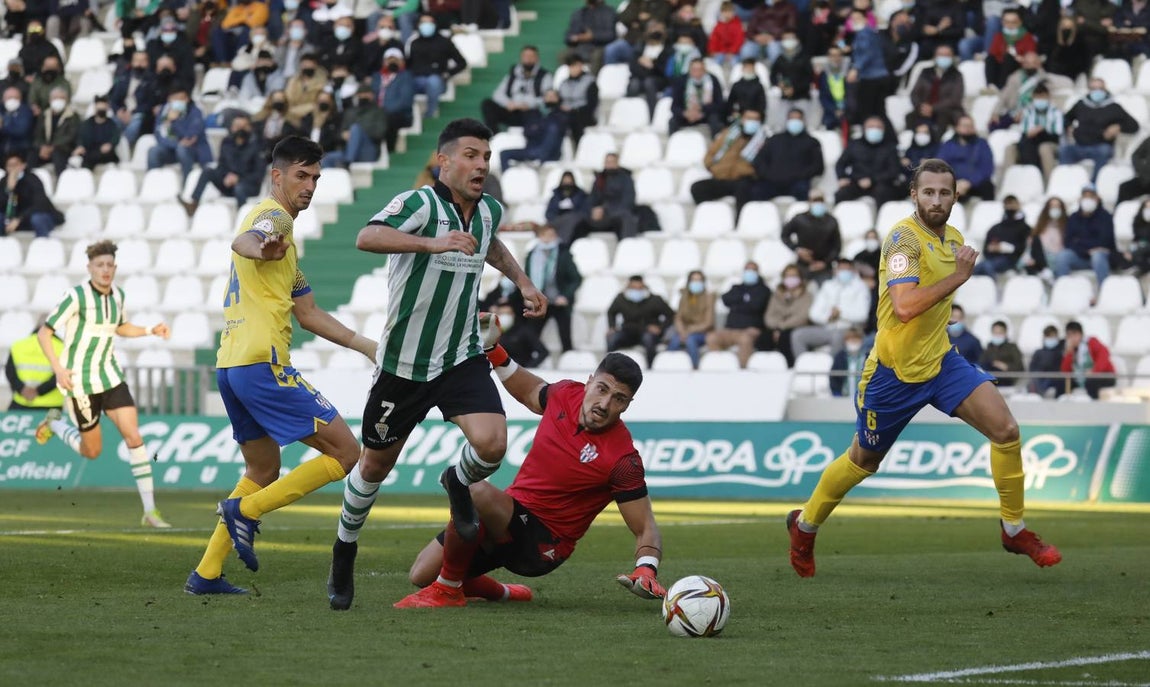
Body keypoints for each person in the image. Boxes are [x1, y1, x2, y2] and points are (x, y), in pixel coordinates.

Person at [786, 158, 1062, 578]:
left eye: (944, 193)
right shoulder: (903, 240)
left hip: (941, 362)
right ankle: (804, 526)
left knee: (1006, 431)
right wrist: (958, 280)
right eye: (928, 192)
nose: (936, 200)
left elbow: (930, 302)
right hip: (893, 374)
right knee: (864, 460)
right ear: (914, 195)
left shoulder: (952, 237)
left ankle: (1014, 528)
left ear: (955, 196)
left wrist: (944, 311)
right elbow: (905, 305)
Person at [325, 119, 547, 610]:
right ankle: (344, 549)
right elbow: (367, 236)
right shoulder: (419, 203)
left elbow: (489, 243)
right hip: (404, 364)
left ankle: (456, 482)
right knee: (374, 466)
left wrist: (523, 283)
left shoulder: (489, 209)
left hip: (460, 356)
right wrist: (432, 243)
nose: (481, 165)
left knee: (491, 445)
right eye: (470, 155)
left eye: (486, 156)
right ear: (443, 161)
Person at [185, 136, 380, 596]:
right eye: (301, 176)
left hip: (231, 367)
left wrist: (370, 347)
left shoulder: (285, 245)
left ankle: (207, 573)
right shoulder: (270, 220)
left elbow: (309, 313)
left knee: (262, 470)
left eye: (316, 177)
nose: (310, 185)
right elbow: (244, 240)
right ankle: (244, 513)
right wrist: (260, 246)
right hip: (261, 365)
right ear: (278, 176)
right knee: (347, 454)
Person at [392, 344, 665, 609]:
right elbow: (531, 391)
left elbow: (645, 526)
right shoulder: (566, 393)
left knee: (471, 488)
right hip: (509, 516)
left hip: (543, 545)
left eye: (618, 398)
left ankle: (448, 591)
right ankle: (503, 593)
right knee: (421, 574)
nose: (604, 404)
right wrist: (493, 349)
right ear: (589, 382)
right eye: (602, 389)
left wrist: (646, 569)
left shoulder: (622, 459)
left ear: (627, 405)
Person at [32, 240, 172, 527]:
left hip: (110, 377)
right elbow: (45, 334)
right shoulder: (76, 296)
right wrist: (58, 369)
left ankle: (150, 511)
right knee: (92, 451)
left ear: (115, 268)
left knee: (134, 437)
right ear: (90, 268)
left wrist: (149, 330)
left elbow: (120, 326)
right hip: (79, 382)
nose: (105, 270)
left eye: (109, 265)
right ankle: (54, 424)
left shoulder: (117, 296)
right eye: (100, 265)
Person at [182, 113, 264, 215]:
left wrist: (238, 179)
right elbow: (221, 165)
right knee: (208, 171)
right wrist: (226, 176)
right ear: (231, 127)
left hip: (248, 186)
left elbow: (258, 174)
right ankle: (193, 204)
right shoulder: (226, 142)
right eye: (237, 126)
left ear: (249, 128)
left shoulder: (256, 146)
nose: (240, 129)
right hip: (228, 183)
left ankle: (243, 218)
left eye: (243, 126)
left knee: (239, 188)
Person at [1059, 78, 1140, 183]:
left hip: (1101, 146)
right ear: (1089, 90)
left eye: (1100, 89)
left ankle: (1093, 186)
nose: (1097, 92)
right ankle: (1065, 183)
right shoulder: (1081, 104)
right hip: (1079, 146)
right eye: (1093, 88)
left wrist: (1119, 127)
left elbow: (1134, 125)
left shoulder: (1114, 107)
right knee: (1065, 150)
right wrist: (1069, 126)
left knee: (1104, 151)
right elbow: (1065, 119)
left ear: (1105, 90)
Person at [791, 260, 872, 357]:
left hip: (850, 329)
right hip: (827, 328)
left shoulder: (860, 287)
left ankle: (832, 370)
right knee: (798, 335)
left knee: (837, 337)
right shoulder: (828, 286)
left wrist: (840, 313)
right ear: (835, 271)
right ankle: (803, 367)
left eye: (847, 269)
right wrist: (828, 316)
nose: (843, 272)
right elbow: (813, 313)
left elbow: (862, 315)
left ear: (853, 270)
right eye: (841, 269)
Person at [744, 109, 824, 205]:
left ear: (803, 121)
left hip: (797, 182)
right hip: (772, 181)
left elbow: (818, 166)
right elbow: (759, 162)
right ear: (787, 120)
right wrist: (768, 175)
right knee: (756, 191)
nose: (795, 122)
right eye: (792, 118)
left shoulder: (812, 142)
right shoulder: (774, 139)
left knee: (803, 191)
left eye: (798, 119)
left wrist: (800, 175)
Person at [523, 225, 581, 356]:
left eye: (551, 235)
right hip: (539, 301)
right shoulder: (532, 255)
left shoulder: (564, 254)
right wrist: (527, 296)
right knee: (532, 334)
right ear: (540, 237)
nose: (548, 239)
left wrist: (565, 296)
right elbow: (525, 278)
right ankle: (534, 358)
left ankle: (568, 359)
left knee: (565, 336)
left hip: (559, 302)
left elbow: (576, 278)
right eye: (545, 235)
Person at [689, 109, 764, 205]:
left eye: (755, 119)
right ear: (742, 119)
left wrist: (747, 172)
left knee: (744, 189)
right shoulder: (728, 134)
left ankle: (739, 219)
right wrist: (712, 167)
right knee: (697, 188)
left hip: (743, 180)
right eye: (749, 118)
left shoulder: (763, 141)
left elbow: (765, 166)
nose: (752, 122)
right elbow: (711, 154)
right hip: (721, 177)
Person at [705, 262, 771, 369]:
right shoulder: (736, 287)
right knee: (711, 337)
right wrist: (745, 299)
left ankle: (742, 370)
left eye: (752, 270)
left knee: (745, 340)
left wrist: (737, 303)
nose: (749, 273)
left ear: (758, 273)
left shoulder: (763, 290)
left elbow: (756, 306)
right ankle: (720, 368)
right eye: (747, 270)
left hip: (749, 330)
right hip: (730, 329)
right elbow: (725, 299)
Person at [605, 275, 674, 368]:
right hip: (627, 331)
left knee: (649, 340)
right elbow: (611, 312)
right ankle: (608, 368)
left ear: (644, 287)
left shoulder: (655, 300)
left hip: (647, 332)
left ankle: (650, 367)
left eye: (639, 288)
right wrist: (612, 326)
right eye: (633, 288)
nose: (636, 291)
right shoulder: (621, 299)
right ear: (628, 287)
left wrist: (660, 328)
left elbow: (671, 315)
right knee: (612, 339)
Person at [835, 117, 904, 206]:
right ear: (864, 129)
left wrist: (872, 180)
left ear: (884, 130)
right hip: (857, 182)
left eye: (878, 127)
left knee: (883, 193)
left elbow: (894, 171)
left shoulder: (890, 147)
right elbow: (841, 164)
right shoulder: (854, 145)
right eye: (871, 127)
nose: (874, 130)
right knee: (841, 194)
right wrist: (842, 177)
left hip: (881, 184)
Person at [1053, 185, 1115, 285]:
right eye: (1085, 196)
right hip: (1080, 256)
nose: (1088, 200)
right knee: (1062, 256)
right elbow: (1068, 241)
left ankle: (1103, 290)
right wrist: (1087, 249)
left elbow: (1106, 241)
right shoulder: (1073, 217)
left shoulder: (1105, 217)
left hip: (1100, 256)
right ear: (1080, 199)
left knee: (1098, 257)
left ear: (1097, 199)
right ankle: (1061, 289)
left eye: (1091, 196)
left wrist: (1080, 242)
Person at [481, 46, 551, 132]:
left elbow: (548, 99)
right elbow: (497, 94)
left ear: (537, 58)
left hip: (530, 112)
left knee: (535, 114)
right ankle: (494, 137)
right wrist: (508, 103)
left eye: (531, 56)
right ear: (521, 58)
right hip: (512, 110)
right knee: (487, 104)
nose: (528, 59)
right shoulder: (513, 74)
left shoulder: (545, 76)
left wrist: (529, 104)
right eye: (525, 56)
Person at [148, 87, 212, 182]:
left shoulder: (195, 112)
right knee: (154, 151)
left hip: (194, 150)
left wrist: (174, 122)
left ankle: (187, 184)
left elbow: (190, 136)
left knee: (182, 150)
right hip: (172, 149)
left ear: (187, 99)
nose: (177, 102)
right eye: (174, 99)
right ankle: (153, 183)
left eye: (181, 99)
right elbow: (159, 136)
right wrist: (175, 144)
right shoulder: (163, 112)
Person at [782, 190, 842, 284]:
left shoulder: (832, 221)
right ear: (809, 201)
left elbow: (837, 246)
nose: (817, 203)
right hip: (803, 264)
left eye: (820, 200)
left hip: (824, 266)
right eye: (814, 200)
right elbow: (784, 235)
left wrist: (825, 262)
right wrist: (797, 249)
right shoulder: (799, 219)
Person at [498, 90, 567, 170]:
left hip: (550, 154)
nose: (550, 98)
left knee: (553, 127)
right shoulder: (535, 113)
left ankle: (539, 159)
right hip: (531, 150)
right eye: (548, 96)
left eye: (553, 96)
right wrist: (541, 128)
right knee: (504, 154)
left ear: (558, 99)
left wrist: (537, 128)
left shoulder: (561, 114)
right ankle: (507, 179)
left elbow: (559, 129)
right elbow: (527, 131)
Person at [1008, 83, 1064, 183]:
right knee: (1011, 148)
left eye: (1043, 97)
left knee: (1043, 148)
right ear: (1033, 98)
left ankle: (1049, 183)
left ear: (1048, 97)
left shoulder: (1056, 112)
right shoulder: (1027, 111)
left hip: (1050, 141)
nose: (1040, 100)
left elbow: (1057, 134)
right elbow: (1024, 132)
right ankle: (1008, 183)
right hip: (1030, 140)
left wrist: (1041, 130)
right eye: (1037, 97)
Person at [578, 153, 639, 241]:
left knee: (627, 218)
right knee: (577, 218)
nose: (609, 165)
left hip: (617, 215)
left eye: (612, 162)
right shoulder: (600, 179)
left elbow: (628, 202)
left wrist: (605, 210)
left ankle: (625, 247)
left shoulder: (626, 179)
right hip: (599, 217)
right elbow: (592, 199)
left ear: (617, 163)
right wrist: (593, 210)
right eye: (607, 162)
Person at [760, 263, 812, 366]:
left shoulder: (806, 295)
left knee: (785, 338)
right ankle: (765, 367)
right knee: (763, 338)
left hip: (795, 328)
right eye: (788, 276)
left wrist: (782, 327)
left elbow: (802, 317)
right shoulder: (776, 295)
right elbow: (769, 316)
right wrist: (777, 327)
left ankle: (789, 366)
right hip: (776, 328)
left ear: (800, 278)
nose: (790, 279)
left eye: (794, 276)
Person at [1, 152, 62, 237]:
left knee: (38, 219)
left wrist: (19, 219)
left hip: (35, 215)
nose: (13, 168)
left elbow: (39, 204)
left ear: (23, 165)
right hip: (14, 219)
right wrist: (9, 189)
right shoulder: (4, 181)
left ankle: (42, 245)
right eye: (9, 166)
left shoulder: (33, 179)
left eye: (15, 165)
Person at [907, 45, 964, 132]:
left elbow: (955, 99)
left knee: (942, 116)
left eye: (947, 55)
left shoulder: (957, 75)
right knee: (910, 117)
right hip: (923, 109)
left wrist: (933, 108)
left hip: (946, 110)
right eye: (941, 55)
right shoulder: (925, 72)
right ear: (935, 57)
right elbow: (915, 93)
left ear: (952, 57)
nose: (943, 58)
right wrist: (920, 106)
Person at [937, 116, 995, 201]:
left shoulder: (982, 144)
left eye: (971, 126)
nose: (968, 129)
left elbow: (987, 168)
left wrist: (969, 182)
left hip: (976, 184)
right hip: (953, 184)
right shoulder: (948, 145)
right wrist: (954, 183)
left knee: (988, 186)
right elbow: (940, 167)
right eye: (964, 126)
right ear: (957, 128)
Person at [6, 325, 63, 411]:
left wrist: (22, 389)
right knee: (54, 424)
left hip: (21, 403)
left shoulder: (18, 345)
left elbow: (10, 371)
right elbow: (62, 374)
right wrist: (39, 391)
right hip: (52, 405)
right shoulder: (62, 347)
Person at [667, 270, 715, 369]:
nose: (696, 283)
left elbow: (708, 322)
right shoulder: (684, 297)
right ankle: (669, 367)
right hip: (684, 331)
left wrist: (688, 331)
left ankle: (694, 368)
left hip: (703, 332)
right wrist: (682, 331)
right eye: (693, 280)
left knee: (690, 340)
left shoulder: (709, 297)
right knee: (674, 341)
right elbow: (678, 317)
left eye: (699, 280)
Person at [847, 10, 888, 124]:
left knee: (868, 111)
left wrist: (856, 68)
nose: (855, 21)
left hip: (871, 77)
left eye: (858, 18)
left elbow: (866, 53)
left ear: (866, 19)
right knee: (879, 111)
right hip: (878, 76)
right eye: (853, 19)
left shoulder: (864, 33)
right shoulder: (871, 33)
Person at [371, 48, 415, 154]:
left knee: (388, 119)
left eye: (396, 60)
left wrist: (384, 111)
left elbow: (405, 101)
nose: (392, 62)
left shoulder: (406, 76)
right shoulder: (377, 77)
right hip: (378, 113)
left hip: (399, 114)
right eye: (389, 60)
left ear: (402, 62)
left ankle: (390, 152)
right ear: (383, 62)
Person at [974, 195, 1030, 277]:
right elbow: (986, 249)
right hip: (992, 259)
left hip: (1012, 261)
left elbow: (1025, 248)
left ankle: (994, 288)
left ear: (1018, 205)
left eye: (1012, 204)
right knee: (975, 268)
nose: (1010, 207)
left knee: (986, 266)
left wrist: (1006, 248)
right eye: (1007, 204)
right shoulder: (995, 228)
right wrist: (992, 248)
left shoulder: (1025, 228)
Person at [668, 58, 725, 137]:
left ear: (704, 70)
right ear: (689, 70)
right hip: (687, 114)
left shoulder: (713, 80)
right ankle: (673, 143)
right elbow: (674, 107)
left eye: (700, 69)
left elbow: (720, 105)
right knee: (673, 121)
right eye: (694, 69)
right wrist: (685, 113)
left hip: (706, 113)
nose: (697, 73)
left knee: (715, 118)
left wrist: (702, 109)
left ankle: (714, 144)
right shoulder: (681, 81)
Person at [29, 85, 78, 176]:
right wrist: (42, 147)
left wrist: (52, 147)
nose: (58, 100)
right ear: (50, 100)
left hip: (63, 149)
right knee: (32, 154)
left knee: (58, 155)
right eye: (55, 98)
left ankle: (60, 182)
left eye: (61, 98)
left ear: (67, 100)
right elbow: (38, 135)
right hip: (45, 150)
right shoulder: (44, 115)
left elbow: (71, 136)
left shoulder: (73, 116)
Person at [1061, 320, 1116, 399]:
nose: (1072, 338)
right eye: (1069, 336)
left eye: (1074, 334)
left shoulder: (1091, 342)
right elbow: (1065, 372)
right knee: (1062, 383)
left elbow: (1104, 355)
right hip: (1082, 378)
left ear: (1080, 334)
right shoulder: (1071, 350)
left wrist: (1094, 371)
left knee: (1091, 382)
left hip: (1103, 376)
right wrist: (1069, 354)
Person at [984, 8, 1037, 90]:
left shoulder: (1027, 38)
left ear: (1020, 22)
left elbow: (1031, 57)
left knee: (1009, 58)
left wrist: (1020, 58)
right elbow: (993, 53)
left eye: (1013, 22)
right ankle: (991, 87)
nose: (1010, 25)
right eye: (1007, 22)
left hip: (1017, 67)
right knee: (989, 58)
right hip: (1001, 66)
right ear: (1002, 22)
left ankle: (1002, 88)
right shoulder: (999, 36)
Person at [562, 0, 617, 72]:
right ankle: (570, 80)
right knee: (563, 54)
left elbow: (610, 35)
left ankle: (592, 81)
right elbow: (568, 36)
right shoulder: (579, 13)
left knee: (597, 55)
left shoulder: (608, 12)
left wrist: (592, 36)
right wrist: (576, 38)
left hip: (599, 46)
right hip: (580, 46)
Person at [556, 55, 598, 146]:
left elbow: (592, 104)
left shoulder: (590, 82)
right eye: (572, 66)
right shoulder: (563, 83)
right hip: (565, 114)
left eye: (576, 65)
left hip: (583, 114)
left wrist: (573, 109)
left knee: (574, 121)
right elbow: (559, 101)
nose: (574, 68)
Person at [73, 95, 121, 170]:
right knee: (86, 156)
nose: (101, 110)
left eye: (103, 108)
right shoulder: (87, 124)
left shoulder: (112, 124)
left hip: (106, 154)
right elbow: (81, 138)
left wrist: (110, 145)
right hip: (90, 151)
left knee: (90, 157)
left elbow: (115, 137)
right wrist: (80, 146)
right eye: (99, 108)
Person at [545, 171, 589, 245]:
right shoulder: (555, 197)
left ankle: (563, 244)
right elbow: (549, 213)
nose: (567, 184)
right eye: (565, 181)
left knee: (571, 219)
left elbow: (584, 212)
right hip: (557, 221)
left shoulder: (581, 196)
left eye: (569, 181)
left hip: (576, 223)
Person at [981, 320, 1023, 387]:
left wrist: (1006, 366)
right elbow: (981, 364)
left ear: (1005, 333)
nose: (997, 335)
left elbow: (1020, 367)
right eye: (995, 332)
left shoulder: (1012, 348)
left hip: (1007, 381)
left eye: (1000, 333)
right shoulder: (988, 349)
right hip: (990, 382)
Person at [1028, 325, 1065, 398]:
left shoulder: (1060, 352)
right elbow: (1032, 368)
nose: (1050, 339)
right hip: (1040, 378)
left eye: (1052, 336)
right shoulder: (1038, 352)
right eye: (1048, 336)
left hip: (1054, 380)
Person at [829, 327, 868, 397]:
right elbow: (834, 378)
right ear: (845, 340)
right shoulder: (839, 357)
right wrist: (837, 394)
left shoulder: (868, 357)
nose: (853, 341)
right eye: (850, 339)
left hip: (863, 400)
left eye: (856, 338)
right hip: (843, 400)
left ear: (861, 340)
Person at [708, 2, 746, 68]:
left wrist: (732, 52)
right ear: (721, 13)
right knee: (715, 63)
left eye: (730, 12)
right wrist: (712, 50)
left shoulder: (737, 25)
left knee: (735, 63)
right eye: (725, 12)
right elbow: (714, 39)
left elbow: (739, 40)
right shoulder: (718, 26)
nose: (727, 14)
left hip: (735, 53)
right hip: (721, 51)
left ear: (734, 13)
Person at [1117, 137, 1150, 203]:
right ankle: (1120, 212)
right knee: (1125, 188)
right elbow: (1135, 155)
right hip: (1145, 179)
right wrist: (1142, 170)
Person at [1124, 199, 1150, 275]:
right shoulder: (1138, 221)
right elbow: (1137, 237)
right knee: (1134, 249)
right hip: (1142, 247)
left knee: (1138, 251)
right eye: (1147, 207)